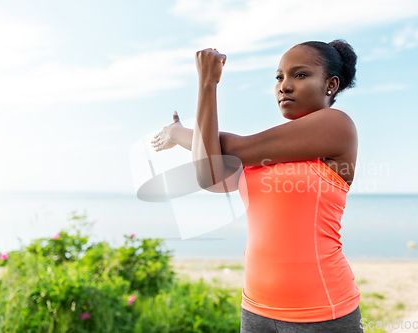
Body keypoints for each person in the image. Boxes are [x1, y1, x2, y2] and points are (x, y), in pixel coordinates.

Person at [151, 40, 363, 333]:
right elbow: (210, 169)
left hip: (321, 312)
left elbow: (230, 147)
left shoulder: (337, 126)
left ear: (331, 85)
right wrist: (190, 125)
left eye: (300, 75)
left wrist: (205, 88)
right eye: (279, 77)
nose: (284, 86)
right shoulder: (258, 158)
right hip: (255, 308)